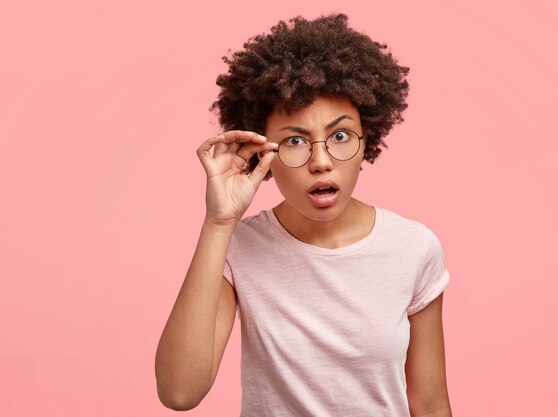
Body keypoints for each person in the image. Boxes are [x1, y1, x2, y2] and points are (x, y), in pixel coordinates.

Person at [155, 13, 452, 417]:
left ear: (369, 139)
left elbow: (430, 404)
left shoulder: (414, 248)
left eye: (340, 136)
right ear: (262, 153)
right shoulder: (237, 247)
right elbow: (179, 392)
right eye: (295, 140)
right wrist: (219, 223)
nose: (321, 162)